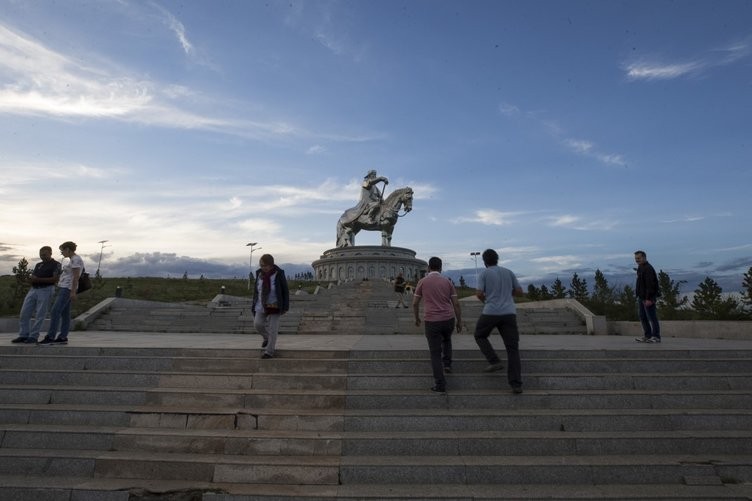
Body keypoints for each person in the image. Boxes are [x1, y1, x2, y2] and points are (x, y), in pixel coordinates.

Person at [473, 248, 524, 394]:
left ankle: (494, 360)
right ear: (497, 259)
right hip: (509, 313)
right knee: (512, 349)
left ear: (484, 262)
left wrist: (486, 301)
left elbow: (479, 293)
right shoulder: (508, 272)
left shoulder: (484, 273)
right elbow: (520, 292)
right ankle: (516, 384)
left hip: (491, 311)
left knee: (479, 335)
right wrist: (509, 294)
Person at [413, 257, 462, 393]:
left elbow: (415, 303)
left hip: (432, 320)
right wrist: (459, 321)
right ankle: (447, 364)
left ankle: (440, 384)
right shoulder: (447, 282)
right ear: (441, 268)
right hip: (448, 319)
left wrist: (417, 318)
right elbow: (456, 303)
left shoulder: (422, 282)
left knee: (435, 353)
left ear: (429, 268)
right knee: (447, 340)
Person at [12, 246, 61, 344]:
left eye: (44, 254)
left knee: (40, 314)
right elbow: (34, 276)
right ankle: (23, 335)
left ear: (50, 253)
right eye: (41, 254)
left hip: (46, 290)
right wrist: (29, 280)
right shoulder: (39, 264)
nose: (42, 256)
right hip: (34, 289)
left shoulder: (56, 264)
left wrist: (38, 279)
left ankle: (33, 336)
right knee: (24, 313)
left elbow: (55, 279)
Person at [40, 241, 84, 345]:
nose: (62, 253)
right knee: (65, 314)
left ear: (68, 249)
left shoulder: (76, 259)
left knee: (55, 311)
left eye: (62, 250)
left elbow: (76, 277)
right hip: (65, 288)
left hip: (67, 289)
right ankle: (63, 337)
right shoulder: (73, 259)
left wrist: (73, 291)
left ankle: (50, 337)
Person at [252, 253, 290, 359]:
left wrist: (285, 306)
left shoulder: (278, 274)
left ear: (271, 265)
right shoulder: (259, 274)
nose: (262, 267)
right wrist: (254, 302)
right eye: (261, 265)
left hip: (275, 304)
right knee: (257, 324)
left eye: (264, 265)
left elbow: (285, 291)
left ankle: (269, 351)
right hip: (261, 304)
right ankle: (266, 337)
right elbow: (256, 291)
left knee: (273, 329)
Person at [634, 250, 661, 343]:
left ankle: (656, 336)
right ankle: (647, 335)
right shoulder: (640, 268)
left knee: (652, 317)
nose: (637, 260)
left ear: (644, 257)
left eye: (639, 258)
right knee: (642, 317)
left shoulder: (648, 268)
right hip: (641, 297)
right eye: (636, 259)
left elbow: (651, 285)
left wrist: (649, 298)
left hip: (648, 298)